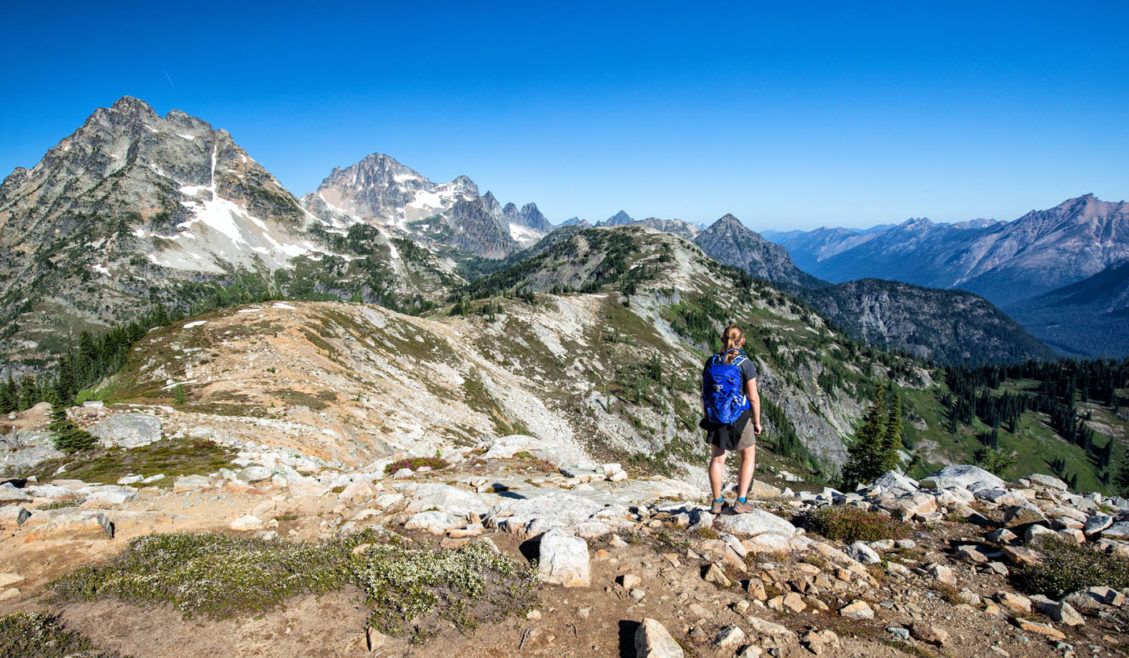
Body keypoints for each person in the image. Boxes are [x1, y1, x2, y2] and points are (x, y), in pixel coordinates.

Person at [701, 324, 762, 514]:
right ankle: (741, 501)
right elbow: (753, 397)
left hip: (716, 417)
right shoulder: (745, 363)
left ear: (722, 339)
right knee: (748, 455)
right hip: (739, 418)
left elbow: (704, 393)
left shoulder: (712, 361)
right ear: (742, 341)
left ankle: (717, 502)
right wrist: (757, 422)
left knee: (717, 460)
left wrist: (708, 414)